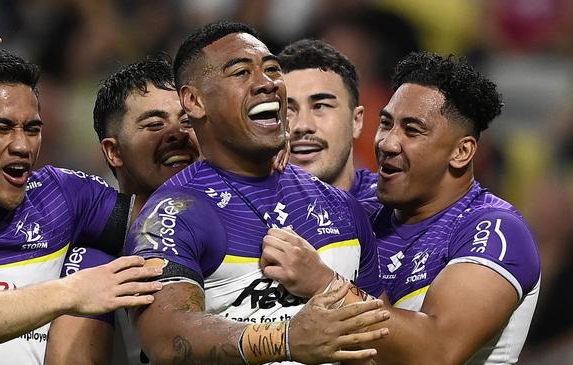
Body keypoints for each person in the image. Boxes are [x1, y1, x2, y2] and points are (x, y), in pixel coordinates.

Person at [124, 21, 390, 365]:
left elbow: (381, 342)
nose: (266, 83)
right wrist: (287, 339)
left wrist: (326, 284)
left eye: (272, 70)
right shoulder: (172, 215)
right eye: (241, 73)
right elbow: (168, 338)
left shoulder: (341, 207)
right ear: (194, 101)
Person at [266, 52, 541, 365]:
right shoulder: (365, 208)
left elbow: (437, 350)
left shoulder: (494, 230)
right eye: (386, 124)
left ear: (461, 151)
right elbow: (318, 179)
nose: (387, 143)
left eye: (412, 130)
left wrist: (325, 284)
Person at [0, 47, 162, 364]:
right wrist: (72, 293)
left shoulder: (61, 197)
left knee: (95, 257)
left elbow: (171, 224)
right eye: (1, 128)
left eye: (32, 129)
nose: (22, 146)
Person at [45, 55, 200, 365]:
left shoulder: (248, 224)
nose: (176, 133)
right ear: (113, 152)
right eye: (154, 124)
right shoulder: (95, 261)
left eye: (186, 121)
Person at [278, 39, 379, 214]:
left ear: (356, 121)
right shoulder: (242, 212)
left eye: (320, 106)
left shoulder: (393, 211)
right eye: (288, 110)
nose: (303, 125)